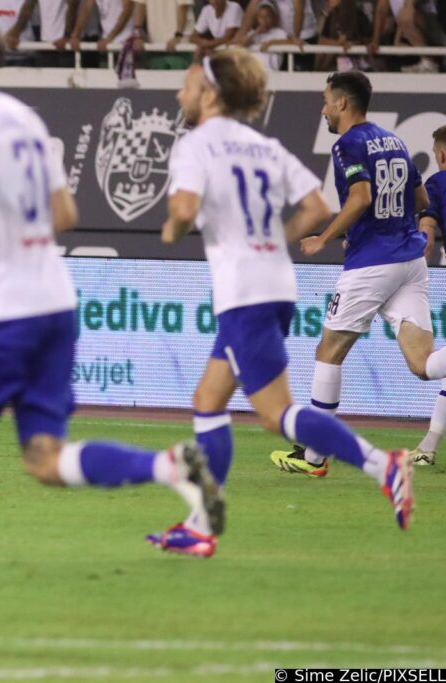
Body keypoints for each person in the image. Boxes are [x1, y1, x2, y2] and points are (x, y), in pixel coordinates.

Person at [0, 21, 224, 643]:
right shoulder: (24, 119)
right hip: (53, 304)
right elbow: (63, 213)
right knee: (44, 458)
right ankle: (167, 467)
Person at [155, 50, 413, 559]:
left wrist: (174, 226)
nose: (181, 93)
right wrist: (272, 240)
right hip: (274, 284)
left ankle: (383, 466)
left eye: (187, 85)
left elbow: (183, 209)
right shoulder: (262, 144)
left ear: (210, 94)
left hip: (245, 293)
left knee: (276, 414)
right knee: (208, 399)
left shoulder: (195, 144)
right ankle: (201, 524)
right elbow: (316, 208)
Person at [269, 71, 446, 478]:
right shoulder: (394, 140)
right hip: (409, 261)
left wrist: (325, 237)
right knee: (423, 365)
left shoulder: (348, 144)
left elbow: (361, 196)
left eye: (326, 100)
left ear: (343, 103)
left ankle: (313, 457)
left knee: (328, 352)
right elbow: (420, 197)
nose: (324, 109)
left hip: (372, 264)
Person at [407, 125, 446, 466]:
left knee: (425, 367)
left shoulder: (437, 184)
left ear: (442, 155)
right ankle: (428, 447)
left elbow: (426, 236)